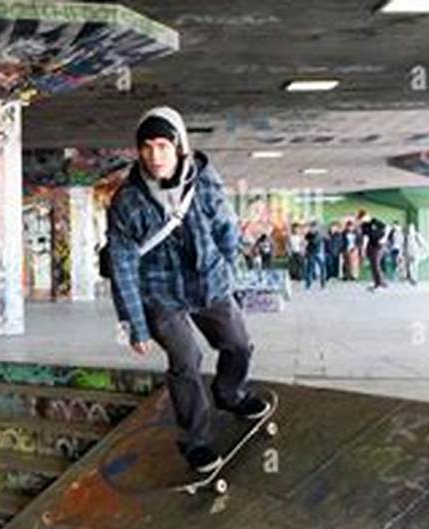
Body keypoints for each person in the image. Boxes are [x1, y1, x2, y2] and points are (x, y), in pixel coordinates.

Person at [106, 106, 270, 473]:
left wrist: (227, 271)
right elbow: (123, 265)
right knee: (186, 360)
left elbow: (226, 226)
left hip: (208, 281)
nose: (154, 155)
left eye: (163, 145)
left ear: (179, 146)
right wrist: (134, 323)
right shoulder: (126, 201)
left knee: (238, 344)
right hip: (160, 294)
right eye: (146, 147)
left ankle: (230, 393)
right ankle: (195, 440)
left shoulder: (204, 180)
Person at [359, 210, 387, 290]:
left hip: (379, 245)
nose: (362, 220)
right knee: (373, 265)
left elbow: (387, 227)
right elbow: (365, 238)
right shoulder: (363, 226)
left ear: (367, 216)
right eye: (361, 219)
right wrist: (363, 249)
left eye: (363, 218)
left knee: (376, 264)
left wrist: (384, 238)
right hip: (371, 246)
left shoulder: (375, 221)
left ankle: (380, 284)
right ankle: (378, 283)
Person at [304, 222, 327, 290]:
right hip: (310, 252)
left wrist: (309, 239)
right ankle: (308, 284)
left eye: (313, 227)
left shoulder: (319, 234)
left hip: (318, 252)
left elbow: (314, 241)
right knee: (310, 268)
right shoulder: (309, 234)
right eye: (311, 227)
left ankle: (323, 283)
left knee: (322, 267)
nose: (312, 229)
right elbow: (305, 238)